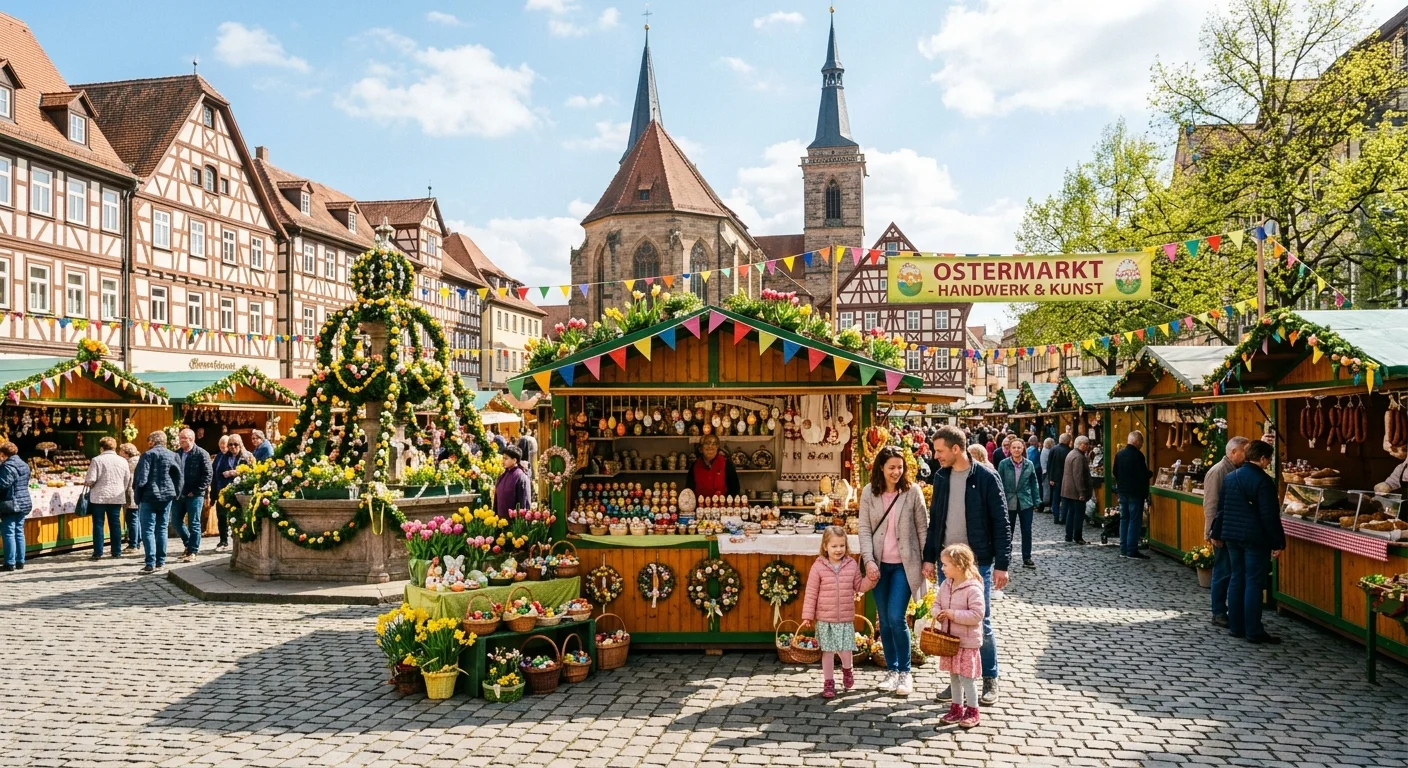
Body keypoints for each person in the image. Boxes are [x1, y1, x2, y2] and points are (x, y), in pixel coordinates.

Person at [924, 425, 1010, 707]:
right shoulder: (941, 476)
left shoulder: (985, 476)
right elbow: (935, 520)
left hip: (977, 564)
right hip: (946, 563)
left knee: (979, 622)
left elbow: (1001, 521)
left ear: (956, 449)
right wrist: (929, 557)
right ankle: (958, 681)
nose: (935, 456)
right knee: (950, 623)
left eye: (939, 451)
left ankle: (989, 677)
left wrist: (1002, 564)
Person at [857, 445, 928, 697]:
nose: (897, 472)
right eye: (891, 467)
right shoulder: (869, 493)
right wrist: (869, 561)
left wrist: (928, 562)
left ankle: (905, 673)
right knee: (884, 620)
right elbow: (864, 529)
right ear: (881, 468)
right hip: (878, 566)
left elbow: (923, 528)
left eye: (900, 467)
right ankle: (892, 669)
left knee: (897, 617)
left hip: (905, 565)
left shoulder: (912, 492)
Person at [1213, 439, 1285, 644]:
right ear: (1262, 458)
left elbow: (1222, 508)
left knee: (1237, 578)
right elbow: (1269, 516)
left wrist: (1217, 533)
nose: (1268, 463)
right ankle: (1253, 630)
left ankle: (1236, 626)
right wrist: (1277, 542)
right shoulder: (1263, 482)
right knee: (1254, 582)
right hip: (1254, 538)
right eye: (1268, 459)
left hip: (1232, 537)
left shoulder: (1230, 477)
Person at [801, 526, 878, 698]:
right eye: (834, 546)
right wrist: (807, 615)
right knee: (827, 652)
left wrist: (871, 580)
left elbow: (859, 586)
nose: (838, 550)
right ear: (825, 546)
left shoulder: (851, 565)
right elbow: (811, 592)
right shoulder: (818, 566)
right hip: (825, 618)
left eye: (842, 546)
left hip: (844, 617)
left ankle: (847, 670)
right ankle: (828, 682)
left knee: (845, 650)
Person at [935, 543, 987, 729]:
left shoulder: (972, 588)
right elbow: (937, 604)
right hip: (950, 640)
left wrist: (952, 614)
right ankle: (956, 708)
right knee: (954, 676)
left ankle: (973, 709)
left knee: (967, 678)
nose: (942, 568)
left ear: (958, 566)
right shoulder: (946, 584)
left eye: (945, 564)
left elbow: (977, 615)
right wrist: (937, 613)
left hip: (966, 642)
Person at [1203, 436, 1250, 627]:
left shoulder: (1235, 470)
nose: (1247, 456)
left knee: (1231, 572)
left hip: (1231, 530)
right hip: (1221, 530)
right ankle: (1219, 611)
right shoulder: (1219, 472)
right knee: (1222, 572)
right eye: (1244, 452)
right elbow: (1211, 504)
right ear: (1233, 452)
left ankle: (1229, 610)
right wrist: (1212, 532)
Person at [133, 431, 182, 574]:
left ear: (152, 442)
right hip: (166, 496)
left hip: (149, 496)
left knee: (147, 529)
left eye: (149, 441)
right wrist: (177, 493)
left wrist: (137, 495)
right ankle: (160, 562)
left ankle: (150, 562)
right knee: (162, 528)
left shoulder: (148, 455)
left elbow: (141, 478)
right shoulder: (173, 455)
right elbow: (178, 477)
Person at [85, 437, 132, 559]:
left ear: (101, 448)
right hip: (116, 496)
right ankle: (116, 551)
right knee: (115, 523)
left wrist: (88, 483)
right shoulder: (123, 461)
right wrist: (121, 489)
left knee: (98, 524)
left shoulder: (97, 460)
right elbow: (127, 479)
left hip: (99, 497)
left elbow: (90, 479)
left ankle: (98, 552)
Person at [997, 437, 1039, 568]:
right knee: (1008, 531)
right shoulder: (1004, 464)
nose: (1016, 450)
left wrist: (1036, 499)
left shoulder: (1029, 464)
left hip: (1025, 501)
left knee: (1026, 530)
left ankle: (1027, 557)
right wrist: (998, 500)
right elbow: (998, 483)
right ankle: (1006, 556)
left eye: (1019, 447)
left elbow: (1034, 483)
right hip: (1008, 502)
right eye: (1014, 447)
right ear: (1009, 449)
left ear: (1023, 449)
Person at [1113, 430, 1154, 559]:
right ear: (1137, 442)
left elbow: (1115, 472)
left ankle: (1123, 549)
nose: (1141, 445)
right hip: (1135, 492)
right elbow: (1142, 474)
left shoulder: (1119, 455)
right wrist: (1150, 473)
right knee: (1134, 520)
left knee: (1124, 519)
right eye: (1141, 443)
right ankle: (1132, 550)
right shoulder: (1138, 455)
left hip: (1123, 491)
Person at [211, 435, 254, 552]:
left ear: (240, 444)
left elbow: (253, 473)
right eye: (230, 444)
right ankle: (223, 541)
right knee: (221, 516)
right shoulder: (222, 457)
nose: (233, 447)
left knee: (239, 516)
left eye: (236, 444)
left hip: (240, 491)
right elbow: (216, 474)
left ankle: (240, 540)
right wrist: (214, 494)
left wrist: (236, 472)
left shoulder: (247, 456)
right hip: (224, 490)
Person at [174, 428, 212, 562]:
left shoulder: (201, 454)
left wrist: (196, 490)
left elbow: (208, 475)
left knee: (194, 523)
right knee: (176, 521)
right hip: (179, 494)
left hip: (195, 494)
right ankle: (188, 544)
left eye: (183, 438)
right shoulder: (177, 454)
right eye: (180, 438)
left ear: (191, 439)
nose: (180, 441)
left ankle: (192, 551)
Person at [0, 442, 32, 572]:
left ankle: (9, 562)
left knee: (8, 532)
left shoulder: (7, 466)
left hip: (11, 503)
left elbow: (3, 484)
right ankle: (20, 561)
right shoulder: (24, 464)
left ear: (3, 454)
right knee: (19, 531)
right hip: (23, 502)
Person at [1060, 436, 1094, 544]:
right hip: (1075, 492)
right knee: (1078, 515)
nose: (1087, 447)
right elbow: (1078, 476)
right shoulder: (1078, 457)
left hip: (1069, 491)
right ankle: (1077, 537)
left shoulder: (1071, 453)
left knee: (1071, 513)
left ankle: (1068, 536)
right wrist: (1082, 492)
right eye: (1086, 444)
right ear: (1082, 444)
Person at [494, 444, 531, 517]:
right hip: (501, 521)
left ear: (514, 460)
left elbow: (524, 501)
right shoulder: (502, 476)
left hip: (514, 522)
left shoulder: (520, 476)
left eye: (506, 459)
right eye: (503, 458)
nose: (503, 461)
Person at [119, 443, 141, 552]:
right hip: (138, 495)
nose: (119, 454)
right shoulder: (140, 460)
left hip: (131, 495)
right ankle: (137, 542)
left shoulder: (129, 464)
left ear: (126, 453)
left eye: (121, 451)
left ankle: (133, 544)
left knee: (131, 519)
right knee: (136, 519)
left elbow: (126, 481)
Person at [1047, 434, 1072, 523]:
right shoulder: (1069, 451)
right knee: (1065, 499)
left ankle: (1056, 517)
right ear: (1068, 441)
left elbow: (1049, 464)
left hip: (1055, 478)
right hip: (1066, 479)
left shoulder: (1053, 449)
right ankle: (1063, 517)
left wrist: (1050, 478)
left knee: (1056, 498)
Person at [516, 429, 538, 502]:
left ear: (520, 433)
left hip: (524, 463)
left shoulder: (523, 439)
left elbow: (520, 452)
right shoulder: (531, 439)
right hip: (529, 462)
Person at [1038, 438, 1056, 513]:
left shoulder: (1044, 450)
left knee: (1046, 488)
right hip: (1046, 472)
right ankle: (1046, 505)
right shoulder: (1047, 451)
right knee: (1047, 489)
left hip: (1044, 471)